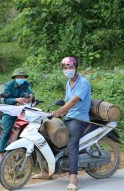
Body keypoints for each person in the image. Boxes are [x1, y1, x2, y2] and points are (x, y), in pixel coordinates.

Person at [51, 57, 91, 191]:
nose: (68, 70)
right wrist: (59, 113)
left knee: (72, 143)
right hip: (69, 117)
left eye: (71, 67)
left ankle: (73, 178)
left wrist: (60, 111)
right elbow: (67, 102)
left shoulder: (83, 83)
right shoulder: (68, 83)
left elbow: (73, 102)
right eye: (66, 68)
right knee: (51, 134)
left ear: (76, 68)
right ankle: (47, 171)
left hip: (80, 119)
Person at [0, 68, 34, 164]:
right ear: (15, 77)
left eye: (22, 77)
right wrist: (16, 100)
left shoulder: (26, 84)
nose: (21, 78)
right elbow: (5, 100)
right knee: (7, 130)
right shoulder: (9, 85)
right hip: (10, 110)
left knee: (32, 126)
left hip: (22, 109)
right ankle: (1, 154)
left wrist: (30, 98)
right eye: (19, 77)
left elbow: (30, 93)